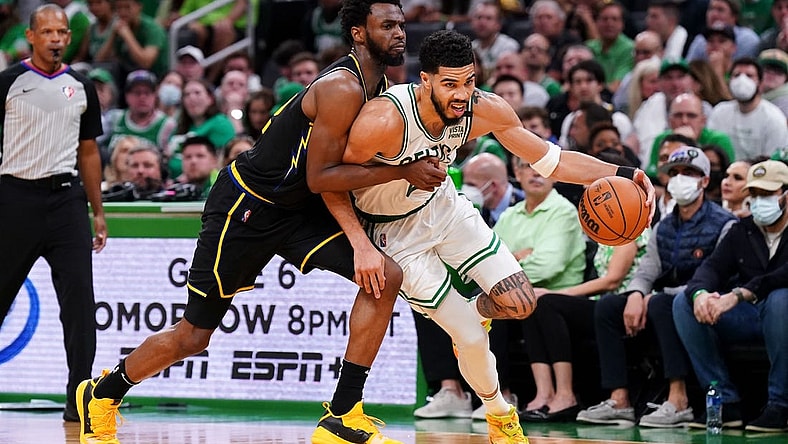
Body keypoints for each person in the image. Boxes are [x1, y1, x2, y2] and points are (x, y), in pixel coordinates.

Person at [76, 2, 444, 444]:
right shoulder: (343, 87)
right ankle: (102, 393)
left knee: (384, 276)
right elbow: (320, 176)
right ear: (358, 34)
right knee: (194, 337)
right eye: (388, 25)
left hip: (298, 209)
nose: (401, 33)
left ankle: (342, 414)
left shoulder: (378, 85)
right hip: (247, 208)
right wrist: (403, 172)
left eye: (402, 24)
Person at [339, 29, 655, 443]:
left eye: (468, 82)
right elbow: (333, 180)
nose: (461, 94)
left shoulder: (484, 109)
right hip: (394, 232)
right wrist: (360, 243)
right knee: (468, 336)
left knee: (521, 302)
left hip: (444, 208)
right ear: (425, 81)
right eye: (449, 84)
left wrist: (623, 172)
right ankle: (500, 415)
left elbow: (552, 162)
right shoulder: (384, 119)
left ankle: (476, 309)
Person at [576, 147, 736, 428]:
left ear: (706, 181)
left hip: (703, 300)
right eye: (673, 173)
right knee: (609, 306)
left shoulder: (725, 224)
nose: (679, 178)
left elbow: (715, 279)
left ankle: (679, 400)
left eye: (689, 172)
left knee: (665, 303)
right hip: (663, 299)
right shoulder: (663, 226)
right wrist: (637, 294)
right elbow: (647, 269)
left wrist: (655, 296)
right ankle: (619, 400)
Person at [0, 4, 106, 423]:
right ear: (31, 36)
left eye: (62, 32)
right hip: (14, 198)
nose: (57, 39)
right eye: (48, 32)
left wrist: (98, 212)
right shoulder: (8, 82)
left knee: (80, 306)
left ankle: (78, 398)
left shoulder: (82, 85)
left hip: (66, 201)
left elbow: (89, 151)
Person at [674, 159, 788, 432]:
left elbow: (782, 275)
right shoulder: (742, 230)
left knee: (781, 298)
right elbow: (711, 268)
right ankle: (724, 402)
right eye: (755, 194)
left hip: (781, 312)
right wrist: (701, 294)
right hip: (752, 317)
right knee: (683, 303)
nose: (759, 201)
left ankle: (780, 405)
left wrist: (738, 294)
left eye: (767, 194)